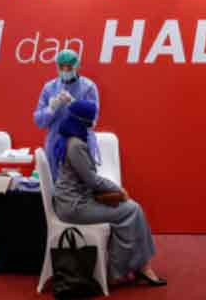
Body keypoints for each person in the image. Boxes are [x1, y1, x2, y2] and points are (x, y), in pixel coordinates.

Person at [53, 100, 165, 287]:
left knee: (132, 209)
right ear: (84, 121)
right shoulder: (76, 145)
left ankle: (139, 266)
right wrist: (118, 189)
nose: (94, 123)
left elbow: (88, 179)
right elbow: (92, 180)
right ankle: (129, 269)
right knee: (132, 209)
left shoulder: (68, 139)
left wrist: (112, 189)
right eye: (92, 119)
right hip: (75, 206)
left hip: (72, 202)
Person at [34, 49, 100, 180]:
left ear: (77, 66)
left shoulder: (88, 87)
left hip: (81, 145)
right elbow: (39, 121)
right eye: (61, 67)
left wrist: (73, 103)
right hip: (55, 143)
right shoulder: (49, 88)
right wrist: (51, 108)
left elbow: (91, 122)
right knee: (55, 185)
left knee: (82, 185)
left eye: (69, 67)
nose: (65, 71)